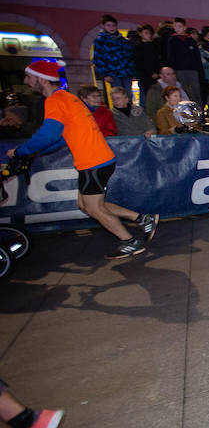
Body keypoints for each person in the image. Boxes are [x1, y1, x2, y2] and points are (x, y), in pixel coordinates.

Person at [8, 61, 159, 259]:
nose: (26, 82)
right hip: (94, 160)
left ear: (40, 78)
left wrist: (21, 151)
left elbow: (49, 134)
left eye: (28, 77)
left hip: (93, 162)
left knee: (93, 207)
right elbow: (61, 137)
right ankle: (142, 219)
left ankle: (130, 241)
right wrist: (33, 152)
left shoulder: (55, 100)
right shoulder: (66, 98)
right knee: (85, 205)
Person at [91, 14, 135, 91]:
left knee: (128, 95)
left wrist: (132, 71)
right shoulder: (100, 41)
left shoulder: (123, 41)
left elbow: (129, 57)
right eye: (109, 25)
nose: (112, 28)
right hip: (113, 73)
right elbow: (98, 59)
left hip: (126, 72)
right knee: (118, 94)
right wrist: (105, 74)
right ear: (103, 26)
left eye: (113, 25)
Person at [166, 17, 202, 103]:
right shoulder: (172, 40)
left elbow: (197, 57)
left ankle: (198, 111)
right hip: (179, 69)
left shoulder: (191, 40)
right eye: (175, 26)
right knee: (183, 91)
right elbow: (170, 56)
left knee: (196, 91)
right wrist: (172, 69)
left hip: (192, 69)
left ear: (184, 27)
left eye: (179, 26)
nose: (177, 28)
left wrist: (199, 70)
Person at [133, 24, 161, 108]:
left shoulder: (154, 46)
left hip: (156, 76)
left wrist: (157, 72)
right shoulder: (138, 48)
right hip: (144, 77)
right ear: (140, 34)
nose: (148, 35)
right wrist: (149, 73)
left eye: (149, 33)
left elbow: (157, 61)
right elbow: (139, 64)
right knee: (145, 97)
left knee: (156, 96)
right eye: (146, 33)